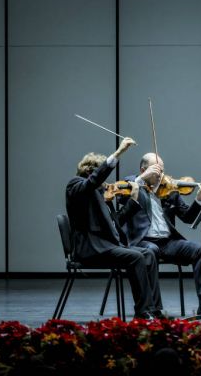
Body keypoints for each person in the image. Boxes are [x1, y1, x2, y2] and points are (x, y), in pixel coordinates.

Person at [65, 137, 161, 320]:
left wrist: (133, 200)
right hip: (92, 249)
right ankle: (143, 312)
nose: (106, 181)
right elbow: (92, 182)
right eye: (102, 175)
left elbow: (116, 222)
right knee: (136, 257)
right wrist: (118, 152)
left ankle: (154, 309)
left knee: (148, 254)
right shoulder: (76, 185)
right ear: (92, 172)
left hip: (108, 245)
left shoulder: (101, 193)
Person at [120, 152, 201, 315]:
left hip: (168, 242)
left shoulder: (169, 189)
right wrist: (142, 179)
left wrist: (199, 198)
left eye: (162, 170)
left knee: (200, 249)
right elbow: (123, 202)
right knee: (151, 250)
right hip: (143, 241)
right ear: (143, 170)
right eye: (156, 170)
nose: (161, 174)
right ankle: (153, 309)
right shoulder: (132, 184)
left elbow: (188, 218)